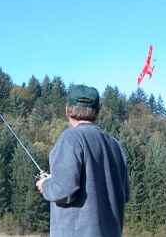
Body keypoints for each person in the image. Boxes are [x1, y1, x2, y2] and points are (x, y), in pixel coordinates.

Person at [36, 84, 130, 237]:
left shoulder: (71, 138)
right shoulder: (115, 145)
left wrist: (46, 185)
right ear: (97, 111)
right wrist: (56, 180)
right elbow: (123, 194)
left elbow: (63, 190)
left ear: (67, 110)